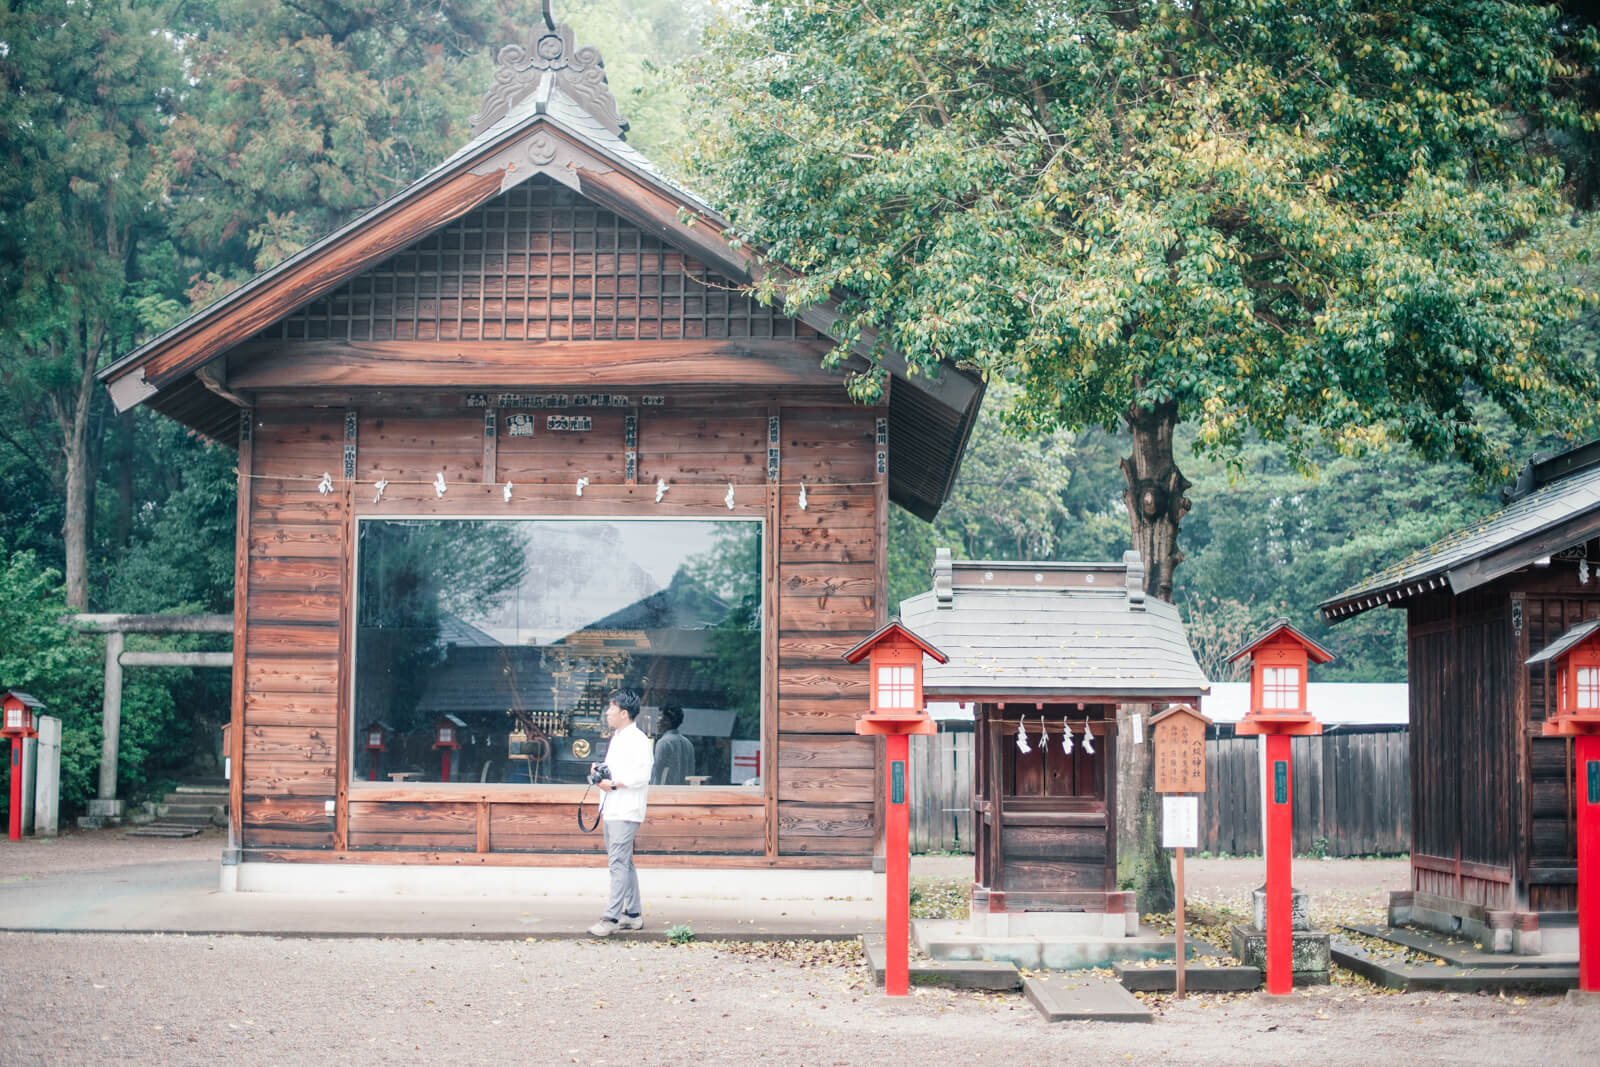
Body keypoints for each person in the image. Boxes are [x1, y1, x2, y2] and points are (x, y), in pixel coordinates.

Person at [587, 688, 653, 937]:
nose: (607, 713)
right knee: (625, 863)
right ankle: (633, 915)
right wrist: (600, 775)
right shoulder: (619, 737)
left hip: (625, 810)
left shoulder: (637, 740)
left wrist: (613, 783)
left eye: (611, 708)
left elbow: (642, 775)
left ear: (624, 713)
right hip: (613, 808)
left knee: (617, 863)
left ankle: (610, 918)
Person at [650, 704, 695, 786]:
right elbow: (691, 773)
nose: (657, 721)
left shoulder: (663, 743)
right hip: (685, 794)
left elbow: (657, 774)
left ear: (668, 721)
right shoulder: (688, 743)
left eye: (660, 717)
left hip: (666, 794)